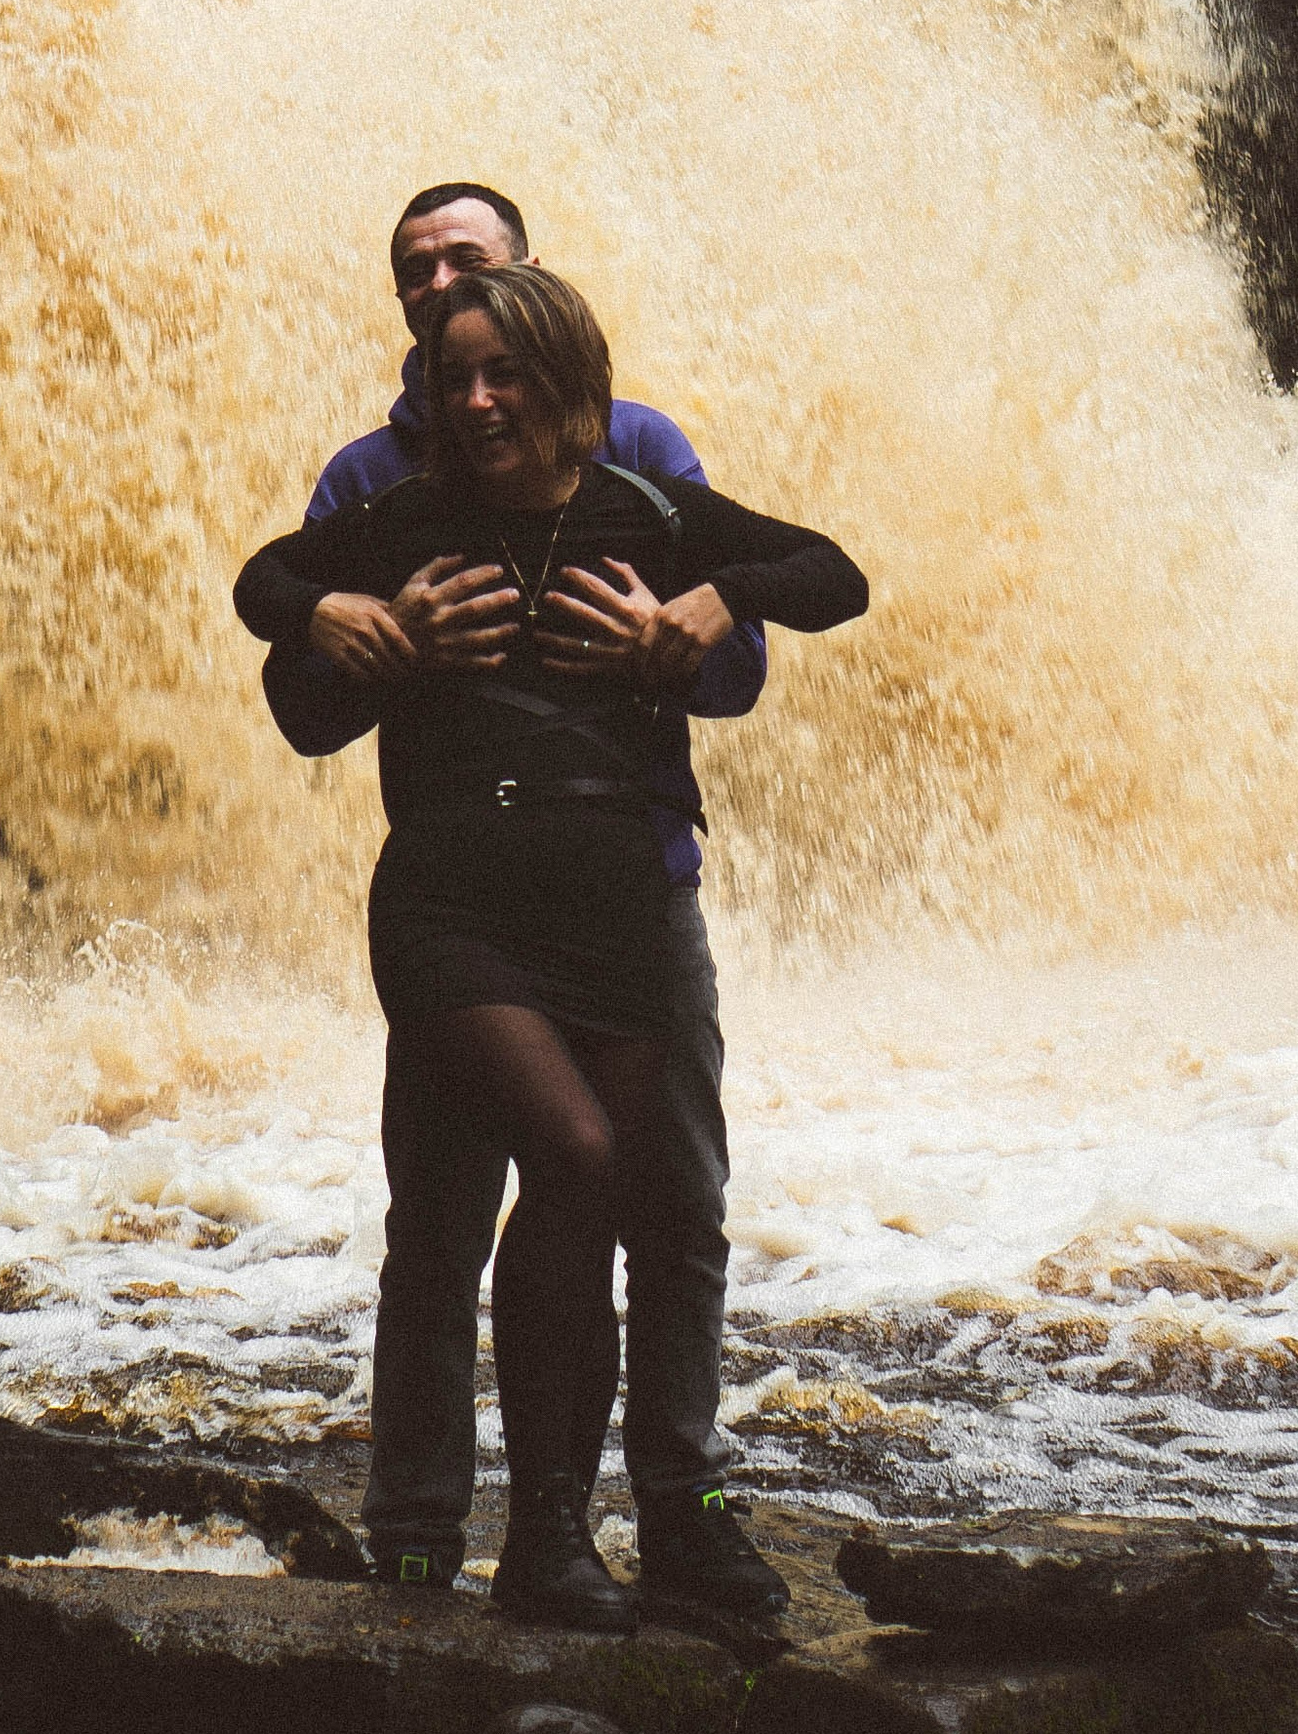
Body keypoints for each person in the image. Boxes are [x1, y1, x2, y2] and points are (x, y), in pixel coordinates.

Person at [237, 259, 867, 1632]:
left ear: (568, 380)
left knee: (619, 1199)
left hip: (624, 904)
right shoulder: (402, 512)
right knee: (563, 1162)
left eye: (503, 372)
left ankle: (560, 1538)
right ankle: (463, 1530)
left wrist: (712, 605)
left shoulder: (648, 508)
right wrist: (335, 614)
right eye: (455, 376)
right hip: (456, 901)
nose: (475, 400)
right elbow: (264, 586)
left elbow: (833, 576)